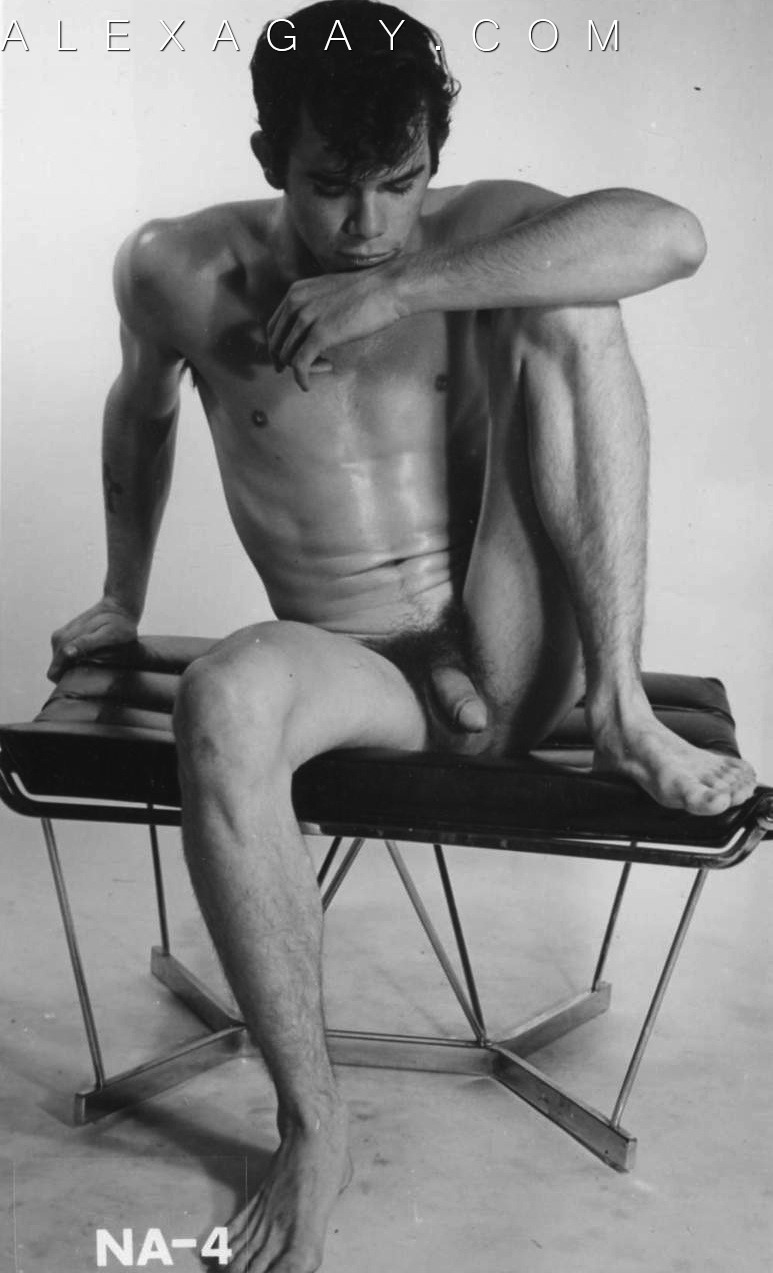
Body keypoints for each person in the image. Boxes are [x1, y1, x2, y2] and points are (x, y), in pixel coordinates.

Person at [47, 2, 756, 1268]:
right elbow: (138, 414)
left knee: (575, 300)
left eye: (400, 182)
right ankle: (313, 1126)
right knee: (225, 696)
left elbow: (672, 235)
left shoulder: (468, 235)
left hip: (509, 645)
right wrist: (120, 595)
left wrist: (400, 290)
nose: (367, 222)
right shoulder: (176, 271)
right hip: (353, 670)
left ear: (435, 157)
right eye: (330, 187)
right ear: (269, 159)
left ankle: (620, 713)